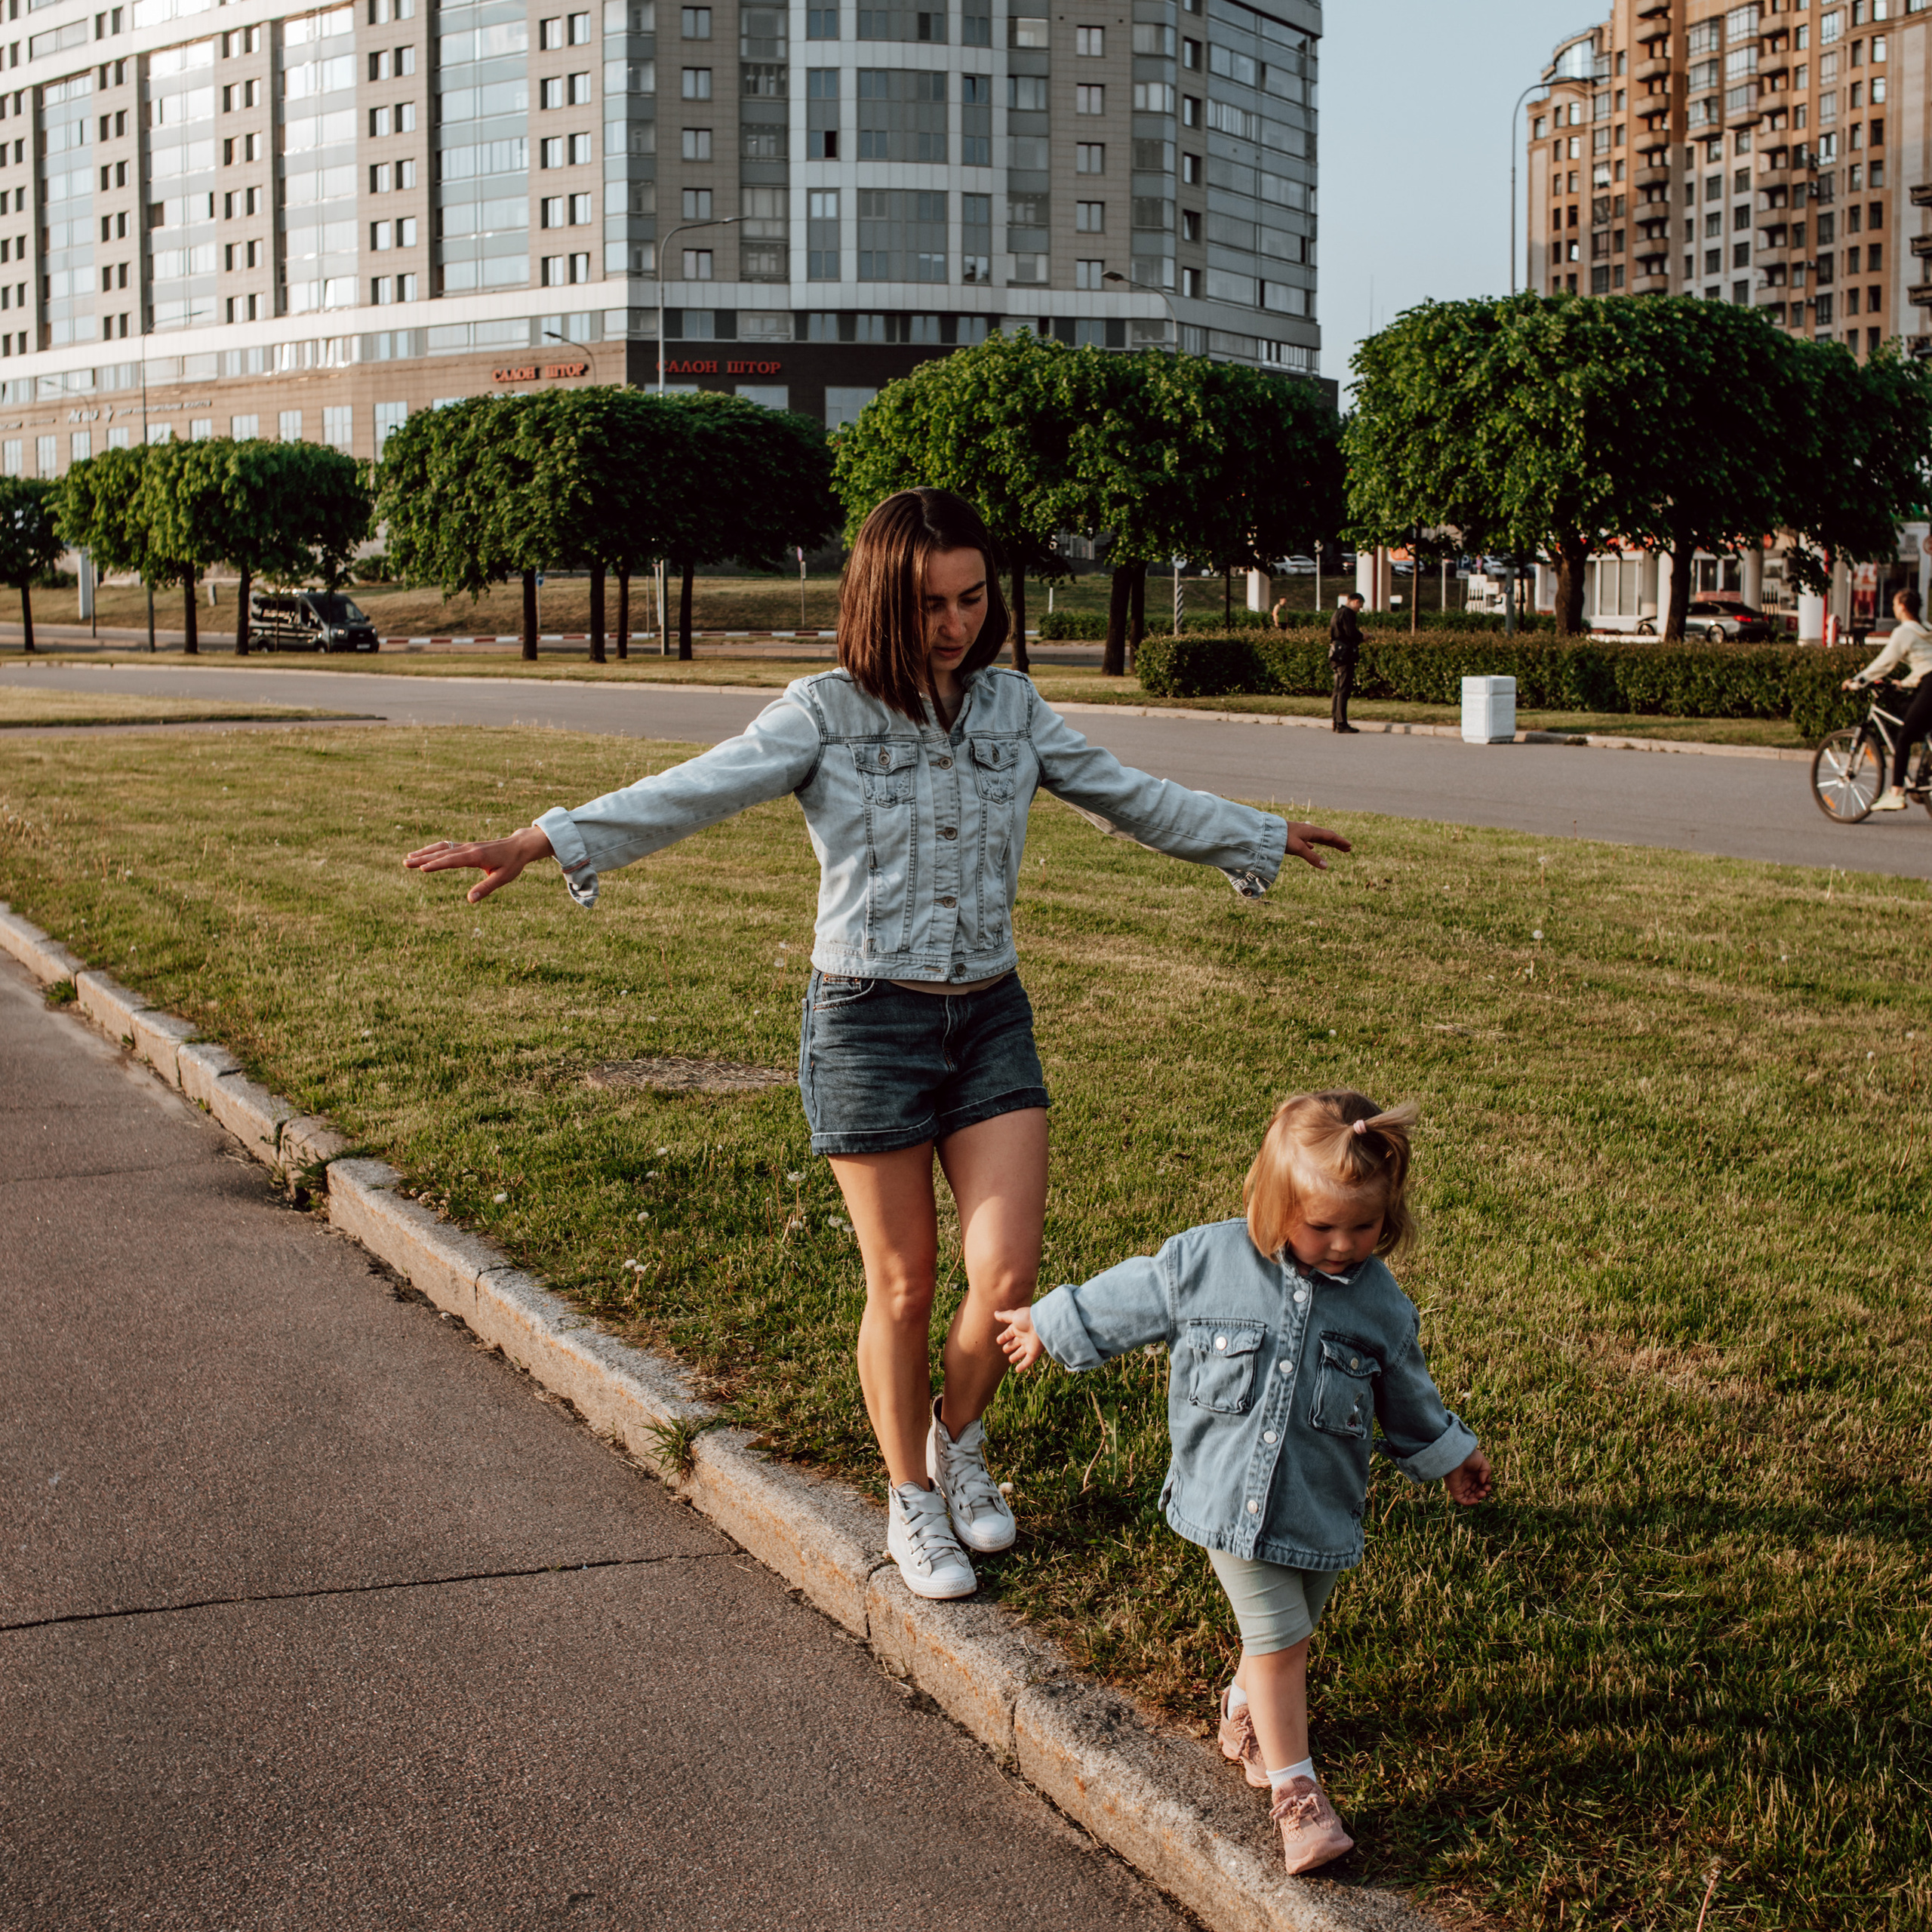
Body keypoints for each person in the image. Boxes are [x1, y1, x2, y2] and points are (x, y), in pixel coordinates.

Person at [401, 488, 1352, 1604]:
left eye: (972, 598)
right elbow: (692, 791)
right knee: (902, 1287)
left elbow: (1128, 797)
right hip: (868, 1021)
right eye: (928, 605)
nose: (954, 625)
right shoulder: (826, 713)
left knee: (1006, 1278)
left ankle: (956, 1441)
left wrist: (1253, 833)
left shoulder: (1012, 709)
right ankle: (910, 1498)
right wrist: (539, 838)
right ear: (878, 602)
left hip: (990, 1016)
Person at [992, 1090, 1492, 1875]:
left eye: (1362, 1226)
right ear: (1273, 1200)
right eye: (1320, 1225)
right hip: (1228, 1496)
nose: (1341, 1244)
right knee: (1280, 1637)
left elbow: (1407, 1394)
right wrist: (1050, 1324)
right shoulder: (1208, 1259)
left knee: (1296, 1621)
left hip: (1320, 1504)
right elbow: (1134, 1294)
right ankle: (1298, 1797)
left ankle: (1243, 1713)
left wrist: (1449, 1451)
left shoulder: (1380, 1305)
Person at [1842, 586, 1932, 811]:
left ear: (1901, 607)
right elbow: (1926, 663)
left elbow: (1884, 664)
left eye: (1894, 604)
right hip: (1927, 684)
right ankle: (1923, 778)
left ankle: (1896, 793)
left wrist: (1858, 680)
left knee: (1904, 737)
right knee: (1912, 716)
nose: (1893, 608)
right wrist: (1905, 683)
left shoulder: (1904, 632)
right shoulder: (1927, 628)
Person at [1327, 592, 1364, 734]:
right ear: (1355, 602)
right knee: (1344, 689)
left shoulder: (1337, 612)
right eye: (1360, 606)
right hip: (1345, 656)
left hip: (1336, 654)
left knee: (1337, 689)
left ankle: (1336, 721)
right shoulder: (1348, 613)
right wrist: (1363, 636)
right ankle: (1342, 723)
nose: (1359, 609)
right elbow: (1351, 633)